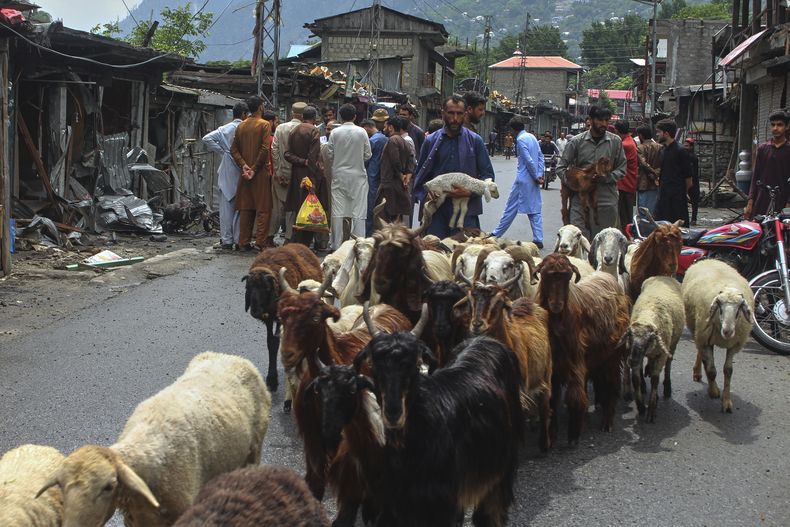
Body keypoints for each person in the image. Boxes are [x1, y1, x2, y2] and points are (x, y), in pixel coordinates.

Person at [413, 95, 495, 238]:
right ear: (442, 113)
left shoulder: (475, 141)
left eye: (459, 113)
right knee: (435, 254)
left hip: (466, 212)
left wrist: (469, 192)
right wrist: (428, 193)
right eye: (451, 113)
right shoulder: (431, 141)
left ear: (465, 114)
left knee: (465, 256)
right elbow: (420, 176)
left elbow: (488, 176)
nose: (455, 118)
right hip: (436, 212)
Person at [556, 105, 627, 238]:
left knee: (603, 245)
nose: (604, 124)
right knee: (579, 242)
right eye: (600, 120)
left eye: (607, 120)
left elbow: (622, 169)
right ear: (590, 120)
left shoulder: (615, 142)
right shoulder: (576, 141)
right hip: (581, 202)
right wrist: (574, 182)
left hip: (606, 202)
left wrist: (605, 177)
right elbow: (560, 168)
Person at [492, 116, 545, 248]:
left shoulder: (520, 140)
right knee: (534, 209)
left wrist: (535, 176)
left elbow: (528, 161)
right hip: (532, 179)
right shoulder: (532, 137)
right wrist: (539, 174)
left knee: (511, 207)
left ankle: (496, 233)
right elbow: (540, 157)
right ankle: (538, 238)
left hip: (524, 180)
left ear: (513, 129)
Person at [201, 101, 248, 250]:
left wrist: (224, 152)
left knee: (226, 207)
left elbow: (206, 138)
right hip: (244, 168)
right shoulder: (246, 128)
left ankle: (226, 240)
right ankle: (237, 239)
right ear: (244, 114)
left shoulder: (224, 129)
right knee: (240, 208)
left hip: (227, 169)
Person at [327, 103, 372, 248]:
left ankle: (335, 244)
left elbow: (329, 154)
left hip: (339, 175)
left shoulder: (335, 132)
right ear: (355, 117)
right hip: (358, 176)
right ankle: (358, 244)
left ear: (340, 117)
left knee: (337, 211)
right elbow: (368, 155)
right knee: (358, 211)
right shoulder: (362, 132)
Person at [230, 95, 273, 251]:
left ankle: (243, 242)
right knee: (263, 209)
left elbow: (233, 150)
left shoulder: (241, 125)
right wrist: (254, 169)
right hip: (260, 172)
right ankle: (260, 242)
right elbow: (264, 149)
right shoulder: (264, 125)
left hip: (246, 173)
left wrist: (244, 166)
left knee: (246, 208)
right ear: (261, 107)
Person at [283, 106, 328, 250]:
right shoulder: (314, 130)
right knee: (310, 211)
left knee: (299, 209)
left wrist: (301, 161)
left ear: (302, 117)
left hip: (297, 175)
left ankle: (296, 242)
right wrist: (313, 176)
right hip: (311, 176)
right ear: (314, 118)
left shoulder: (294, 130)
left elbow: (287, 155)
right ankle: (304, 245)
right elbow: (313, 157)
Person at [271, 102, 306, 245]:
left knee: (276, 207)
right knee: (294, 208)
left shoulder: (280, 128)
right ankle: (289, 238)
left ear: (292, 113)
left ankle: (268, 236)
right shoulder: (306, 129)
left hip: (281, 173)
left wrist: (278, 171)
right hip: (298, 174)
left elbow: (274, 150)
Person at [746, 110, 790, 218]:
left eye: (779, 125)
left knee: (781, 233)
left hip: (783, 200)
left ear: (787, 126)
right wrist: (750, 201)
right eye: (773, 125)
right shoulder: (763, 149)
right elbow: (755, 176)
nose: (775, 128)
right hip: (762, 199)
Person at [376, 116, 416, 224]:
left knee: (386, 220)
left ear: (390, 127)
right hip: (397, 185)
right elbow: (411, 160)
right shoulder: (403, 141)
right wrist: (407, 175)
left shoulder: (393, 140)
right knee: (396, 220)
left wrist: (401, 175)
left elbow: (395, 160)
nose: (384, 129)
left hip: (390, 185)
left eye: (386, 126)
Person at [654, 119, 692, 226]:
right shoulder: (662, 150)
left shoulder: (681, 151)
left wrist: (683, 192)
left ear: (666, 133)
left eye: (659, 132)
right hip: (663, 195)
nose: (657, 134)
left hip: (677, 197)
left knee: (678, 229)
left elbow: (689, 178)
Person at [365, 109, 389, 235]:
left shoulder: (375, 140)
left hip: (372, 177)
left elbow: (366, 159)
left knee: (370, 209)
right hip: (380, 177)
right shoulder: (384, 138)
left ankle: (369, 235)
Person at [614, 120, 638, 232]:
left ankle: (626, 237)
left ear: (617, 131)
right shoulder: (629, 141)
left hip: (625, 183)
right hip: (628, 182)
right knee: (625, 215)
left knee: (624, 217)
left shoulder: (625, 144)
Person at [635, 125, 661, 217]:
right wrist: (656, 173)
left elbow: (643, 163)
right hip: (656, 182)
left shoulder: (640, 148)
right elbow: (662, 164)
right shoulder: (659, 147)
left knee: (643, 211)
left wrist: (652, 172)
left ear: (641, 136)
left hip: (643, 183)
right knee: (653, 210)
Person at [684, 138, 701, 224]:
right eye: (684, 146)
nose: (685, 147)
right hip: (687, 180)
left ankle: (693, 219)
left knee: (694, 201)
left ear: (691, 147)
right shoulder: (686, 156)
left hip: (693, 181)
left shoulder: (692, 157)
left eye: (687, 146)